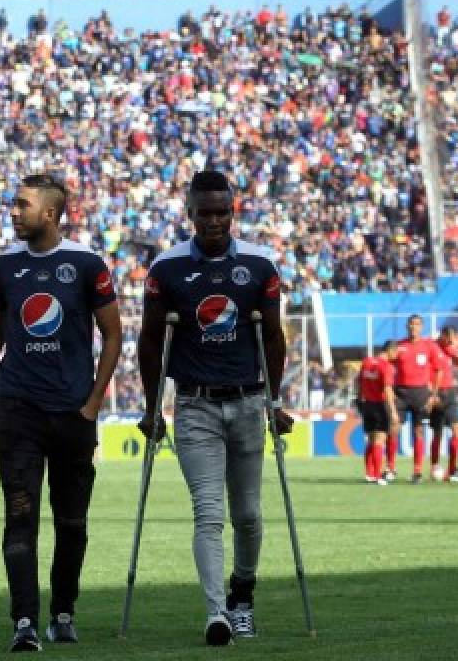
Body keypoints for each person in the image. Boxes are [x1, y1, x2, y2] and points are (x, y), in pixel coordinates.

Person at [137, 170, 292, 646]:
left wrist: (275, 400)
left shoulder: (260, 265)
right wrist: (150, 407)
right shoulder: (166, 270)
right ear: (190, 214)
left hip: (247, 402)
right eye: (204, 213)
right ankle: (216, 612)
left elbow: (271, 336)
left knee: (248, 514)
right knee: (208, 512)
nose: (213, 221)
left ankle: (242, 597)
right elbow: (149, 341)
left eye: (221, 212)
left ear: (233, 211)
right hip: (195, 406)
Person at [0, 173, 122, 652]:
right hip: (19, 412)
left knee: (72, 523)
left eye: (22, 205)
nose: (13, 212)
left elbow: (113, 334)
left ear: (50, 214)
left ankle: (63, 613)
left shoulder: (86, 264)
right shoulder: (3, 267)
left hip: (73, 414)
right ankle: (24, 622)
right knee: (20, 517)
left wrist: (94, 401)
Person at [392, 315, 440, 484]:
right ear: (407, 326)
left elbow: (438, 370)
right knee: (394, 426)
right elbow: (389, 367)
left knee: (418, 430)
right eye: (411, 324)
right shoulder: (399, 346)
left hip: (420, 393)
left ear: (422, 327)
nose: (414, 327)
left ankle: (417, 471)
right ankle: (391, 467)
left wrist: (433, 394)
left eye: (417, 324)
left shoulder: (429, 346)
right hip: (401, 392)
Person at [357, 341, 398, 485]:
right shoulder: (386, 367)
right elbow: (387, 389)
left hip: (366, 404)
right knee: (380, 440)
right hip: (379, 405)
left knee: (371, 440)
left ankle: (369, 473)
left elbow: (359, 382)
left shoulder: (367, 362)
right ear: (391, 351)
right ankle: (378, 475)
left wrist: (360, 399)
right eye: (395, 353)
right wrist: (393, 411)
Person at [432, 326, 458, 481]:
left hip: (449, 393)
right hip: (435, 393)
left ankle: (452, 468)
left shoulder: (451, 348)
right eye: (449, 338)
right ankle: (434, 466)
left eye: (453, 339)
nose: (451, 341)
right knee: (437, 432)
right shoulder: (432, 347)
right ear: (443, 335)